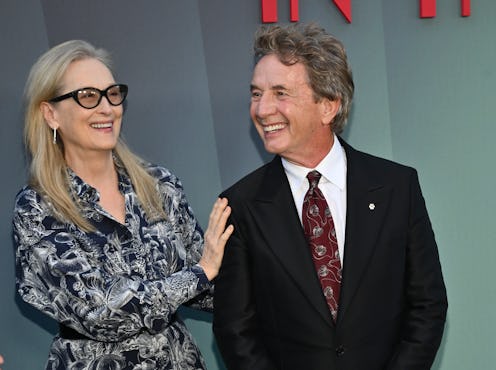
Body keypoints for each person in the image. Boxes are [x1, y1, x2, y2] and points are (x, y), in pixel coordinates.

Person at [213, 23, 447, 370]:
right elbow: (236, 331)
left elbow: (427, 306)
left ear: (328, 105)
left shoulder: (397, 187)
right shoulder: (241, 206)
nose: (262, 110)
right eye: (256, 94)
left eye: (280, 93)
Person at [13, 39, 233, 370]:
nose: (107, 108)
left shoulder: (160, 186)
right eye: (87, 96)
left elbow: (206, 289)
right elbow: (102, 312)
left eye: (112, 94)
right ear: (50, 113)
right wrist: (201, 272)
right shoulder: (37, 209)